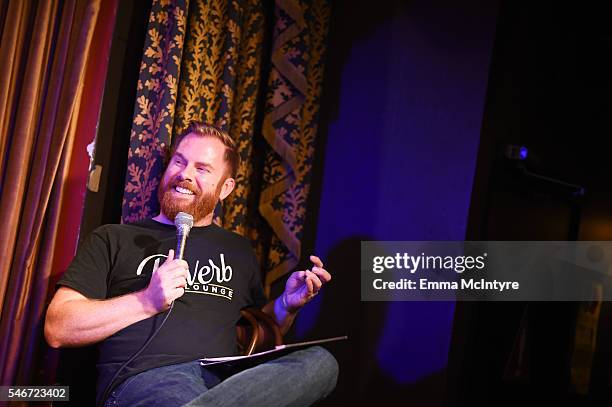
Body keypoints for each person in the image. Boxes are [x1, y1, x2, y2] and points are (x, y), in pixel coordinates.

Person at [44, 122, 339, 407]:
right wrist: (146, 301)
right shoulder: (114, 238)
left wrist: (286, 305)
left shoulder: (237, 250)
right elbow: (58, 327)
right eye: (179, 162)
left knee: (321, 363)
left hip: (226, 380)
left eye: (202, 169)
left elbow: (261, 330)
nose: (184, 174)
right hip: (146, 380)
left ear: (226, 188)